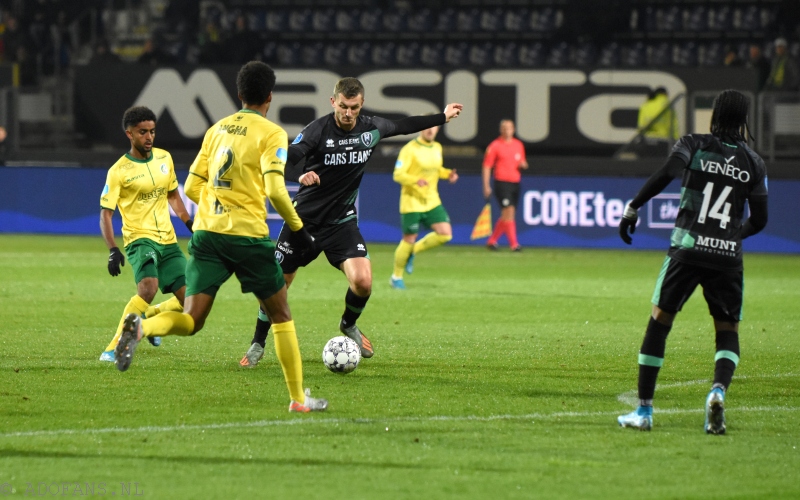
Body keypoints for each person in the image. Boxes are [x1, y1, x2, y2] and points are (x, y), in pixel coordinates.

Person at [114, 61, 327, 412]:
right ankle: (298, 400)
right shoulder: (272, 133)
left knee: (192, 319)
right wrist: (299, 230)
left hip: (207, 235)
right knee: (281, 315)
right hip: (248, 238)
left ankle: (142, 329)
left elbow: (193, 187)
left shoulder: (217, 129)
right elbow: (275, 189)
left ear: (239, 94)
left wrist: (218, 207)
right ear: (269, 97)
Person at [239, 77, 463, 368]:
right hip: (302, 222)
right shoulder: (317, 131)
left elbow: (404, 125)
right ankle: (258, 342)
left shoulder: (370, 129)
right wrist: (300, 176)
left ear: (361, 104)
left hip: (341, 223)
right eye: (343, 106)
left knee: (363, 282)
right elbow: (287, 159)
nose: (347, 113)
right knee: (277, 288)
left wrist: (442, 117)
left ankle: (348, 323)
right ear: (333, 102)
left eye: (354, 107)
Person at [617, 89, 768, 434]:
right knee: (727, 330)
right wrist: (731, 237)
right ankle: (717, 392)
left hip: (687, 248)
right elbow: (760, 220)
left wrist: (634, 205)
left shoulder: (693, 144)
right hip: (727, 258)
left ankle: (643, 412)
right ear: (744, 120)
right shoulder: (754, 163)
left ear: (715, 114)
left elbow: (670, 171)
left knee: (660, 321)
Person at [99, 106, 193, 362]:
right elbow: (106, 213)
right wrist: (113, 249)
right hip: (140, 239)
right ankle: (115, 345)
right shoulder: (119, 171)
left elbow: (173, 194)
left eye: (152, 131)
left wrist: (188, 222)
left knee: (191, 303)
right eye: (142, 132)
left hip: (168, 240)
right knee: (148, 287)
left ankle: (150, 316)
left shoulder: (164, 158)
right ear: (129, 134)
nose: (149, 137)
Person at [390, 124, 458, 290]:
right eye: (427, 127)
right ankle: (396, 277)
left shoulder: (437, 147)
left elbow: (435, 170)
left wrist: (447, 173)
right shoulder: (410, 149)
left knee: (445, 234)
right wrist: (415, 180)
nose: (430, 130)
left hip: (431, 200)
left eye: (434, 127)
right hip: (411, 201)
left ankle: (413, 251)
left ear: (437, 130)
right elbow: (397, 174)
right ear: (421, 128)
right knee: (408, 239)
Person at [482, 119, 528, 252]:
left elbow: (522, 161)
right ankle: (514, 244)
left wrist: (523, 165)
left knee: (509, 214)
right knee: (508, 211)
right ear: (500, 130)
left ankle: (492, 240)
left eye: (509, 128)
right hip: (501, 182)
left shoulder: (518, 145)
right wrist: (486, 185)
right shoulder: (495, 146)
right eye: (504, 128)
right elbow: (486, 166)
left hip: (515, 182)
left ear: (513, 129)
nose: (507, 130)